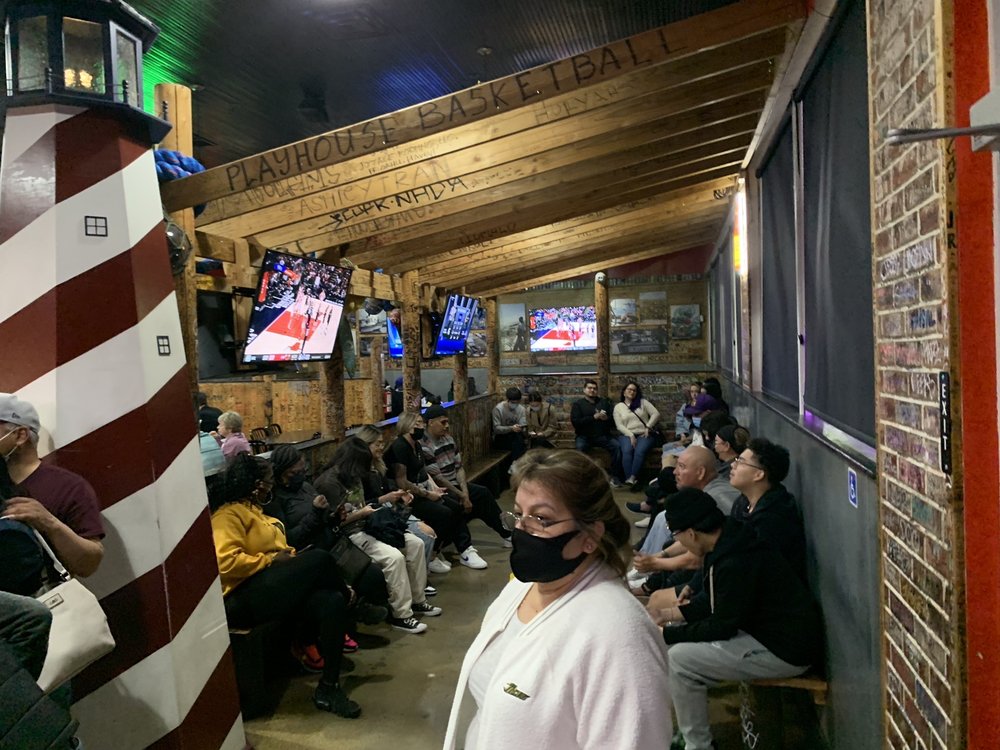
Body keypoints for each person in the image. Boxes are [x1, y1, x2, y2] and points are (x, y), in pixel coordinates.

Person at [443, 449, 671, 750]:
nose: (523, 529)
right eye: (519, 514)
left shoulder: (619, 638)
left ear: (589, 535)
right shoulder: (522, 589)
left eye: (541, 518)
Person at [652, 488, 822, 750]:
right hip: (762, 633)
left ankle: (697, 745)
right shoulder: (729, 536)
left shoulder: (736, 560)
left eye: (676, 535)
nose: (679, 542)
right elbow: (717, 603)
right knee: (676, 644)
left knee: (680, 661)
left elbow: (721, 625)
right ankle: (687, 735)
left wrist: (667, 633)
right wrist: (668, 616)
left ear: (690, 533)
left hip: (785, 650)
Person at [209, 454, 372, 718]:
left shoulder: (256, 512)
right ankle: (355, 601)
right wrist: (271, 560)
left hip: (268, 587)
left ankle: (329, 687)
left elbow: (280, 548)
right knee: (320, 559)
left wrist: (288, 558)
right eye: (269, 481)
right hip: (241, 596)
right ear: (256, 484)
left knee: (331, 601)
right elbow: (225, 563)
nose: (272, 486)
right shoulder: (228, 515)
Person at [315, 438, 441, 634]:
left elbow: (364, 503)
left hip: (369, 525)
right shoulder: (328, 483)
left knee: (415, 544)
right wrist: (361, 513)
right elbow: (332, 523)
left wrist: (374, 508)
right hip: (349, 534)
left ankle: (418, 600)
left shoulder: (354, 476)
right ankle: (402, 615)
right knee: (394, 558)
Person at [0, 394, 104, 577]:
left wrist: (49, 523)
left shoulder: (68, 487)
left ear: (20, 435)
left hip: (40, 598)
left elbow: (89, 564)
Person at [385, 412, 488, 572]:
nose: (421, 426)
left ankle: (464, 550)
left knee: (455, 506)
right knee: (444, 513)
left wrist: (433, 487)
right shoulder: (400, 447)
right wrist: (427, 494)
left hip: (422, 488)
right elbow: (402, 482)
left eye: (421, 423)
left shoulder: (417, 445)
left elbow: (423, 471)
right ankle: (432, 554)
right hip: (406, 496)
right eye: (417, 423)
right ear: (407, 425)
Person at [633, 446, 741, 593]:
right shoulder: (708, 491)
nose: (675, 472)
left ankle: (648, 584)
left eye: (682, 467)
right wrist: (659, 556)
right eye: (676, 465)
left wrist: (656, 563)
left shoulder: (715, 498)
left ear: (701, 472)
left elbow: (697, 555)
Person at [354, 425, 438, 583]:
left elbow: (389, 489)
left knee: (429, 532)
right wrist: (387, 498)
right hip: (375, 516)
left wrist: (401, 495)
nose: (381, 447)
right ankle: (419, 580)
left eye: (381, 443)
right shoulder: (360, 472)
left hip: (389, 510)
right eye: (377, 444)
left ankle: (421, 575)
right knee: (425, 535)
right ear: (365, 445)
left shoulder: (378, 465)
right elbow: (363, 504)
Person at [421, 405, 511, 547]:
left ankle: (507, 534)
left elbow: (459, 468)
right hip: (440, 488)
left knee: (483, 493)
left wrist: (465, 492)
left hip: (455, 484)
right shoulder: (424, 445)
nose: (447, 426)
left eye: (447, 422)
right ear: (431, 422)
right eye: (443, 422)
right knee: (455, 505)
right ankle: (464, 548)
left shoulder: (448, 439)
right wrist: (462, 496)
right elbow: (438, 477)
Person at [569, 379, 624, 486]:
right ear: (584, 390)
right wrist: (593, 417)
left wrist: (606, 419)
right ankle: (582, 477)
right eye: (589, 388)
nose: (592, 390)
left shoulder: (604, 402)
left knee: (617, 447)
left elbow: (613, 422)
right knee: (580, 449)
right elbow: (576, 422)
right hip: (584, 436)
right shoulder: (578, 404)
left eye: (594, 388)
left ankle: (615, 476)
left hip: (602, 436)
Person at [613, 381, 661, 486]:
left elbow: (656, 414)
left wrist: (648, 426)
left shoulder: (642, 402)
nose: (632, 392)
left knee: (640, 450)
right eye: (629, 389)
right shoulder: (619, 407)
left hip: (644, 434)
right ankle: (629, 478)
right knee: (627, 450)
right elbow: (619, 425)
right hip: (626, 434)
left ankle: (632, 477)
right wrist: (630, 435)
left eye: (634, 390)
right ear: (624, 392)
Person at [491, 387, 527, 461]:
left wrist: (520, 427)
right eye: (513, 402)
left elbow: (523, 423)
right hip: (502, 436)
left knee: (519, 441)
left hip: (516, 436)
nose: (515, 404)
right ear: (507, 400)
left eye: (517, 402)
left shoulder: (521, 409)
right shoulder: (498, 409)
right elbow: (496, 429)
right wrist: (511, 428)